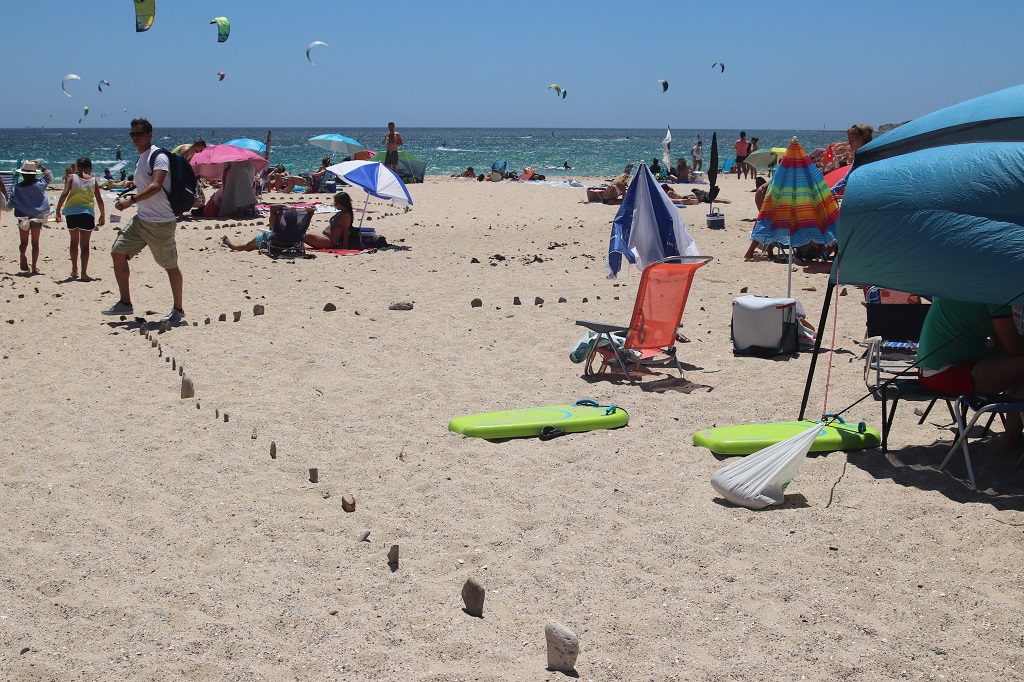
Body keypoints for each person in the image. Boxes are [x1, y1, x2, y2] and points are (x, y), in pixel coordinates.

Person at [103, 118, 184, 323]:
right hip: (141, 220)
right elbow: (145, 186)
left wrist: (132, 200)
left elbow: (156, 185)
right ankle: (125, 302)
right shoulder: (141, 158)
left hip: (160, 222)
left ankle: (178, 309)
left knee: (170, 265)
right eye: (132, 134)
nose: (135, 138)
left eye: (139, 134)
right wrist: (131, 192)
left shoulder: (159, 157)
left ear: (149, 134)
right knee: (118, 252)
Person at [916, 298, 1024, 451]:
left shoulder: (969, 287)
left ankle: (1013, 435)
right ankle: (1011, 440)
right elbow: (1012, 346)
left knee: (1015, 365)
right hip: (949, 374)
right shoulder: (994, 294)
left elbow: (1002, 343)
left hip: (929, 371)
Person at [55, 157, 106, 280]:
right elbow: (99, 200)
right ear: (90, 168)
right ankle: (84, 273)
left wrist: (57, 210)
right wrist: (102, 215)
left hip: (71, 214)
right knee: (85, 245)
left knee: (73, 242)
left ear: (77, 167)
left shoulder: (71, 178)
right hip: (87, 214)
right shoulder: (93, 181)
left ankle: (74, 270)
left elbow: (64, 193)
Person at [7, 160, 53, 274]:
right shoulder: (39, 184)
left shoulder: (16, 188)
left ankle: (22, 255)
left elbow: (10, 204)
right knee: (35, 243)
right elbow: (49, 176)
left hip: (22, 217)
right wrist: (41, 166)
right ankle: (34, 267)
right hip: (37, 216)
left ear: (22, 174)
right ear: (34, 174)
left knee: (23, 242)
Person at [221, 204, 317, 252]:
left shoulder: (278, 227)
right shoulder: (300, 228)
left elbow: (272, 208)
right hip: (291, 244)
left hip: (274, 243)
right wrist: (309, 210)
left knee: (248, 246)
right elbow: (311, 213)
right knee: (273, 225)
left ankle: (232, 246)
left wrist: (285, 207)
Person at [830, 124, 874, 196]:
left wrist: (832, 191)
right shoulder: (862, 155)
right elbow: (845, 179)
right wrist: (832, 191)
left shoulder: (864, 157)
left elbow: (846, 180)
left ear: (861, 139)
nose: (849, 143)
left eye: (851, 140)